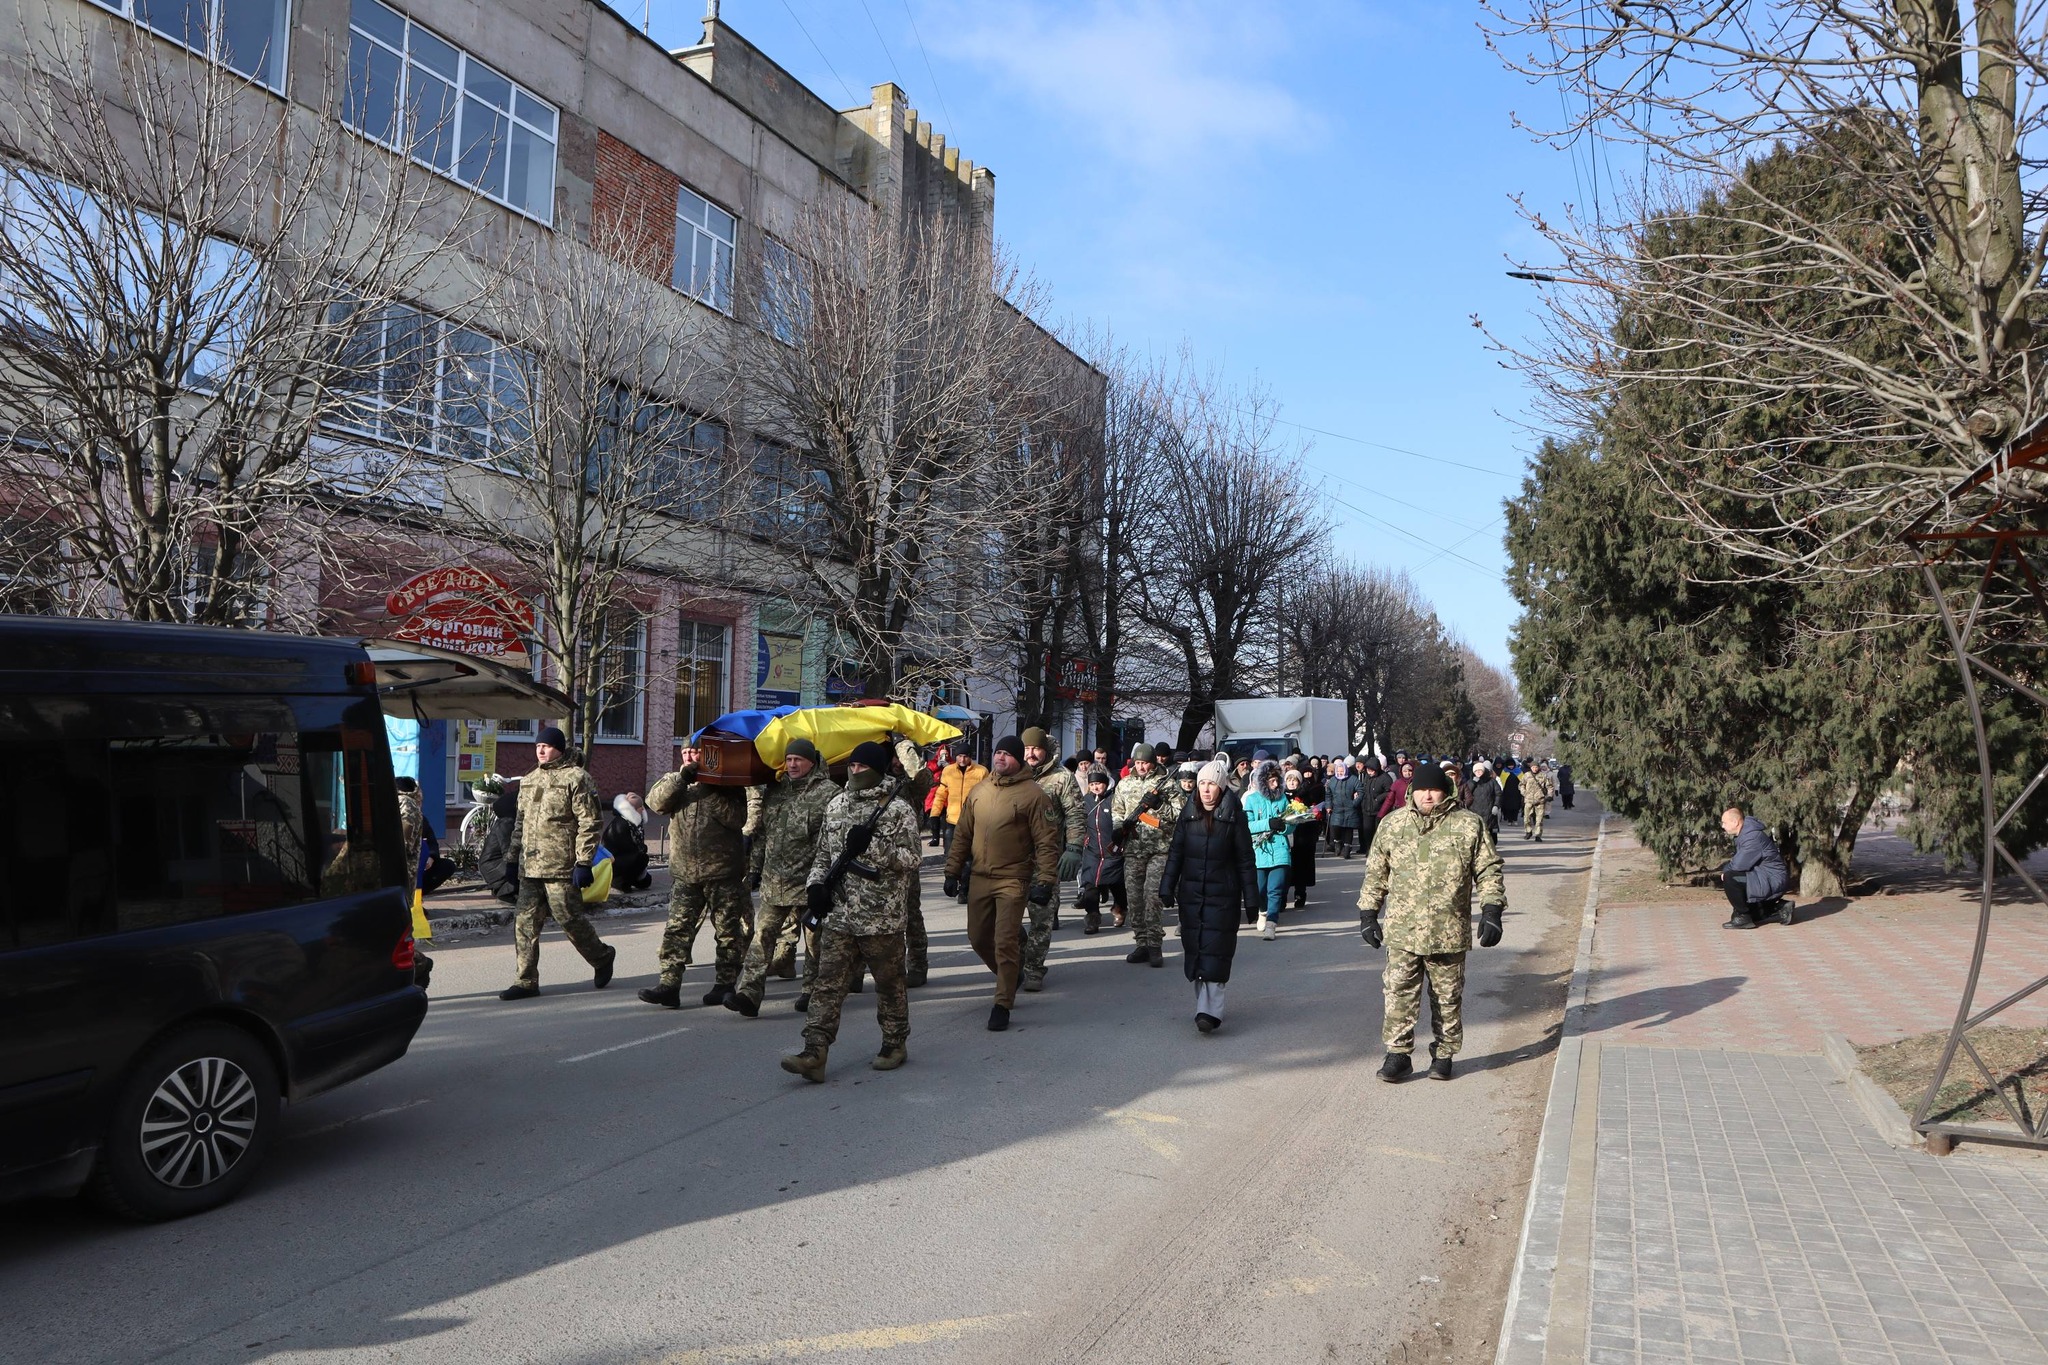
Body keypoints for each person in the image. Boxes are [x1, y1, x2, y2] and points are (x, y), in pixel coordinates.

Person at [779, 741, 921, 1082]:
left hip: (881, 917)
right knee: (827, 984)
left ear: (876, 769)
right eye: (852, 766)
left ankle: (894, 1043)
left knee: (889, 985)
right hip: (841, 915)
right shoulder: (837, 805)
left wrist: (873, 846)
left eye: (862, 767)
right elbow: (824, 856)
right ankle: (815, 1052)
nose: (856, 771)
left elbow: (911, 859)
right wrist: (816, 886)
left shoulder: (898, 809)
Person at [1358, 763, 1506, 1082]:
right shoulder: (1393, 825)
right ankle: (1398, 1055)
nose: (1428, 795)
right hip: (1402, 930)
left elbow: (1488, 870)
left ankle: (1444, 1054)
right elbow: (1376, 873)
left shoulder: (1468, 825)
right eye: (1422, 789)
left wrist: (1492, 911)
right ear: (1412, 790)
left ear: (1446, 790)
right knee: (1398, 992)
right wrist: (1368, 913)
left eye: (1434, 789)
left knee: (1447, 996)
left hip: (1448, 931)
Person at [942, 734, 1059, 1031]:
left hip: (1013, 878)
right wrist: (952, 871)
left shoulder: (1034, 795)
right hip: (981, 876)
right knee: (978, 937)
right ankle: (1010, 974)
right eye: (998, 753)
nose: (1000, 758)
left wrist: (1044, 881)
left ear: (1018, 759)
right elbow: (962, 836)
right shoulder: (980, 790)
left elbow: (1046, 842)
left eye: (1007, 754)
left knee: (1004, 940)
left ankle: (1002, 1003)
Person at [499, 727, 617, 1001]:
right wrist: (511, 859)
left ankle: (601, 957)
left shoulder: (577, 778)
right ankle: (526, 980)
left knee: (569, 919)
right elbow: (520, 824)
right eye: (538, 745)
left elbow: (590, 822)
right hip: (530, 867)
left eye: (547, 746)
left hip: (562, 866)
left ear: (559, 749)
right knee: (525, 923)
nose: (541, 750)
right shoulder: (529, 780)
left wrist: (584, 862)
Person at [728, 738, 837, 1018]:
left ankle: (812, 990)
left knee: (815, 941)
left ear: (811, 762)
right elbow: (765, 835)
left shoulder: (829, 794)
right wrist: (754, 869)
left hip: (811, 882)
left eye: (798, 760)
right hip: (775, 881)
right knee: (762, 936)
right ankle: (749, 993)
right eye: (788, 759)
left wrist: (827, 881)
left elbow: (834, 841)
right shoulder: (776, 791)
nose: (792, 765)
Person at [640, 743, 751, 1009]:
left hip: (721, 872)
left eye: (696, 753)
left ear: (708, 756)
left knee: (727, 932)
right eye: (685, 753)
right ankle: (669, 984)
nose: (690, 758)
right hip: (685, 873)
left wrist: (709, 788)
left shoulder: (728, 786)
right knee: (677, 930)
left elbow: (737, 820)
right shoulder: (675, 782)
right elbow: (655, 803)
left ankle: (724, 984)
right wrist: (682, 779)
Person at [1160, 759, 1258, 1034]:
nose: (1205, 789)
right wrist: (1167, 887)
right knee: (1195, 949)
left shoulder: (1233, 816)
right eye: (1202, 783)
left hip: (1222, 894)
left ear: (1221, 787)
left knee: (1216, 950)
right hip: (1191, 894)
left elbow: (1245, 860)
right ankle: (1202, 1005)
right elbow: (1176, 853)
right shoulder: (1188, 814)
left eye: (1211, 784)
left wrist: (1252, 900)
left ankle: (1210, 1011)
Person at [1020, 726, 1085, 993]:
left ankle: (1034, 969)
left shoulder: (1062, 778)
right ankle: (1018, 958)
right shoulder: (1013, 774)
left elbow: (1075, 815)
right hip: (1013, 858)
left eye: (1035, 749)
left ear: (1045, 750)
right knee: (1006, 919)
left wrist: (1074, 848)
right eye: (1026, 749)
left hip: (1046, 858)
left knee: (1042, 917)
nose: (1031, 754)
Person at [1109, 742, 1183, 966]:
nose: (1141, 767)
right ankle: (1141, 943)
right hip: (1133, 849)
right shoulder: (1124, 783)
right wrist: (1118, 828)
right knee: (1134, 898)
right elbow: (1117, 810)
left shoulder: (1167, 784)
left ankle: (1154, 946)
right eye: (1138, 763)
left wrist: (1159, 805)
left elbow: (1179, 814)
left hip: (1160, 848)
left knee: (1152, 897)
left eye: (1145, 763)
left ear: (1153, 763)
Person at [1240, 759, 1294, 938]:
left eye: (1277, 779)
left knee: (1275, 889)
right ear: (1263, 781)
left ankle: (1272, 922)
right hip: (1259, 850)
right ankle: (1262, 911)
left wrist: (1284, 826)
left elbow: (1292, 824)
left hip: (1279, 849)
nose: (1276, 783)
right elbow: (1246, 826)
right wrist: (1268, 823)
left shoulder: (1283, 798)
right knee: (1259, 888)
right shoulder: (1252, 800)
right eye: (1271, 780)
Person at [1720, 805, 1794, 928]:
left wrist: (1725, 871)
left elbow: (1739, 865)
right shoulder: (1746, 834)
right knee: (1754, 915)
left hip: (1773, 880)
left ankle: (1742, 917)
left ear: (1735, 822)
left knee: (1730, 878)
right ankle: (1780, 909)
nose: (1722, 826)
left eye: (1724, 822)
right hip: (1765, 877)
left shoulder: (1752, 837)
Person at [1075, 764, 1124, 934]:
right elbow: (1079, 821)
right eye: (1092, 784)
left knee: (1116, 884)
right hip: (1092, 851)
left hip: (1112, 850)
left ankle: (1119, 908)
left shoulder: (1114, 799)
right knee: (1090, 885)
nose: (1096, 787)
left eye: (1099, 783)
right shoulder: (1086, 800)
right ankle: (1092, 918)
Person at [928, 747, 988, 886]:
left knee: (969, 858)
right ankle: (954, 881)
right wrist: (935, 814)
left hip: (973, 822)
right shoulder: (948, 771)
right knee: (951, 855)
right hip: (952, 821)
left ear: (970, 757)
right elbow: (941, 794)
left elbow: (988, 795)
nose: (962, 759)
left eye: (965, 756)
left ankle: (964, 888)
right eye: (959, 756)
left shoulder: (981, 772)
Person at [1282, 766, 1319, 910]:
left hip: (1302, 837)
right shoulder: (1281, 795)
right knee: (1285, 869)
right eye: (1289, 780)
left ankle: (1300, 894)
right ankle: (1282, 898)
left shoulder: (1306, 795)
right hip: (1286, 836)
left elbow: (1312, 812)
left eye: (1294, 780)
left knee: (1301, 867)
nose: (1292, 783)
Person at [603, 792, 653, 892]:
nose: (643, 809)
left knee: (646, 881)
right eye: (640, 807)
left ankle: (630, 879)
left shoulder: (631, 822)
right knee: (642, 858)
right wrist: (641, 850)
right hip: (614, 862)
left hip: (622, 860)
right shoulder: (621, 825)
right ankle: (619, 881)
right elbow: (628, 848)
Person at [478, 787, 521, 903]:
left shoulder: (512, 822)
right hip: (493, 865)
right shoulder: (506, 823)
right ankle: (504, 891)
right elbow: (508, 853)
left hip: (498, 863)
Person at [1326, 759, 1365, 858]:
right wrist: (1328, 806)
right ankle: (1337, 843)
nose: (1340, 773)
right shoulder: (1333, 781)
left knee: (1348, 829)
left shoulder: (1353, 779)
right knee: (1335, 827)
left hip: (1350, 808)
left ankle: (1347, 849)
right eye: (1338, 771)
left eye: (1342, 771)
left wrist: (1354, 803)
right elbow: (1328, 795)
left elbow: (1361, 791)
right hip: (1336, 808)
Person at [1465, 760, 1503, 843]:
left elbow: (1498, 794)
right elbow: (1466, 794)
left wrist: (1496, 805)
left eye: (1480, 770)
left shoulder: (1492, 781)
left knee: (1490, 833)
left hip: (1489, 811)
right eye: (1476, 771)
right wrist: (1473, 783)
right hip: (1474, 811)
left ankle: (1492, 849)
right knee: (1477, 832)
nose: (1478, 772)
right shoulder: (1470, 782)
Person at [1522, 759, 1556, 841]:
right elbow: (1521, 785)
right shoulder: (1526, 775)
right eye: (1533, 767)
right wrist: (1524, 793)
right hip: (1529, 800)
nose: (1534, 769)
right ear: (1531, 767)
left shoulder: (1543, 776)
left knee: (1539, 819)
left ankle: (1538, 835)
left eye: (1536, 767)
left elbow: (1550, 786)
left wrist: (1549, 796)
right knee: (1526, 818)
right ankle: (1528, 831)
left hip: (1540, 800)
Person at [1499, 762, 1524, 828]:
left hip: (1516, 792)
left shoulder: (1518, 771)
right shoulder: (1504, 771)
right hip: (1507, 793)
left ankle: (1515, 819)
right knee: (1508, 807)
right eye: (1509, 765)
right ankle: (1509, 820)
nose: (1510, 766)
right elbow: (1501, 781)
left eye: (1512, 765)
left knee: (1516, 807)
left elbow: (1523, 781)